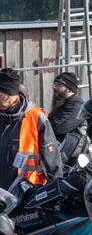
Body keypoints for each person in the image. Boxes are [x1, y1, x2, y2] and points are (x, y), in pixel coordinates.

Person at [0, 68, 62, 197]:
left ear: (9, 95)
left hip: (26, 191)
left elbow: (52, 158)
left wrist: (56, 188)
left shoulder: (36, 117)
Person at [48, 72, 87, 165]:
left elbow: (58, 127)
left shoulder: (76, 106)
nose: (55, 87)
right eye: (55, 84)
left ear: (69, 89)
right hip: (60, 151)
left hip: (71, 158)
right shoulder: (63, 103)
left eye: (59, 85)